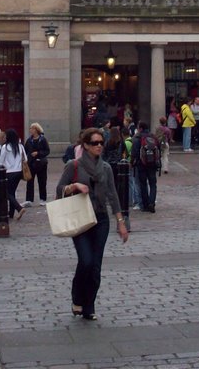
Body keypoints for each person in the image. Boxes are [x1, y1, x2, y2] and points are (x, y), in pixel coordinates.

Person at [54, 127, 129, 320]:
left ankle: (89, 305)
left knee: (95, 266)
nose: (99, 147)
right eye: (95, 143)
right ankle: (77, 297)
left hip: (100, 219)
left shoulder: (106, 168)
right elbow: (59, 189)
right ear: (85, 145)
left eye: (101, 143)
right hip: (81, 218)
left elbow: (113, 195)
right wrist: (75, 186)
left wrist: (121, 222)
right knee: (86, 261)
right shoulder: (74, 165)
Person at [0, 128, 27, 220]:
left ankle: (19, 208)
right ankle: (11, 213)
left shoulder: (5, 147)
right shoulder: (20, 146)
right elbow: (26, 159)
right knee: (12, 192)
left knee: (6, 192)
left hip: (9, 172)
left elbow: (1, 161)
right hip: (19, 172)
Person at [131, 121, 160, 212]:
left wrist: (133, 162)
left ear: (140, 128)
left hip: (141, 164)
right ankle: (152, 202)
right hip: (152, 164)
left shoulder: (137, 138)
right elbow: (158, 150)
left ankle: (145, 204)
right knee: (153, 184)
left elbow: (134, 153)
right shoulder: (153, 137)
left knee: (143, 184)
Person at [23, 122, 50, 207]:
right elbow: (25, 150)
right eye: (30, 128)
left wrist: (38, 153)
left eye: (32, 128)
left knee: (42, 181)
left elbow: (47, 151)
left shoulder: (43, 139)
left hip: (41, 163)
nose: (30, 130)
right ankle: (29, 199)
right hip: (31, 164)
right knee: (30, 181)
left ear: (36, 130)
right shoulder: (29, 140)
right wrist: (25, 158)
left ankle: (43, 199)